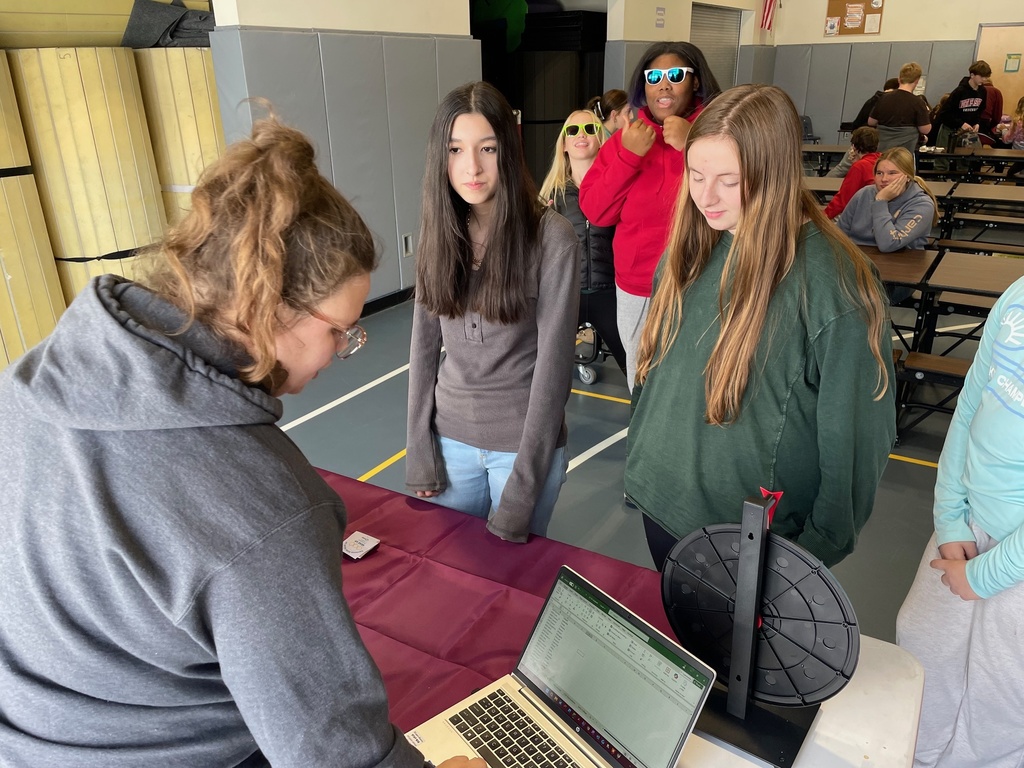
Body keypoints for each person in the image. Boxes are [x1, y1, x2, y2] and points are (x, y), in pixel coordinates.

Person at [0, 115, 483, 768]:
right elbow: (334, 754)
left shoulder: (30, 383)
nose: (343, 351)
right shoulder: (264, 506)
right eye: (340, 332)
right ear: (266, 304)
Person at [625, 84, 895, 571]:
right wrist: (640, 458)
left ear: (773, 175)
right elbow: (653, 373)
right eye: (696, 174)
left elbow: (855, 438)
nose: (705, 196)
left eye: (729, 180)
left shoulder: (835, 283)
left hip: (746, 543)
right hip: (659, 501)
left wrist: (810, 558)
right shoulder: (690, 247)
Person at [405, 81, 580, 543]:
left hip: (521, 449)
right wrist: (420, 449)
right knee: (452, 578)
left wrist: (523, 489)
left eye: (487, 147)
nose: (472, 167)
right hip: (449, 444)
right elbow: (424, 348)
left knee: (511, 587)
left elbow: (554, 366)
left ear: (508, 149)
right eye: (456, 149)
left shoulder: (552, 238)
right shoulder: (438, 234)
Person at [896, 274, 1024, 768]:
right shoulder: (1016, 295)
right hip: (970, 523)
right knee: (923, 640)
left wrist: (982, 578)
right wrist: (950, 517)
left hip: (1013, 563)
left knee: (1002, 694)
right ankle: (917, 755)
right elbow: (972, 400)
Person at [579, 41, 721, 390]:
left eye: (675, 75)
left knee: (699, 385)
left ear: (696, 82)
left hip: (701, 282)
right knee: (642, 382)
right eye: (653, 76)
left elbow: (741, 200)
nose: (664, 84)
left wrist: (694, 145)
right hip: (637, 287)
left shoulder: (719, 133)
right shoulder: (626, 140)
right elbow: (596, 210)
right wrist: (628, 156)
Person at [539, 108, 627, 377]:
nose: (581, 135)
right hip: (567, 295)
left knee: (636, 369)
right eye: (573, 130)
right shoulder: (549, 196)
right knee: (546, 370)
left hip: (610, 294)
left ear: (601, 139)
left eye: (590, 129)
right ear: (564, 144)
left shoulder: (617, 188)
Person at [837, 146, 938, 253]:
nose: (884, 179)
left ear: (907, 176)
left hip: (902, 263)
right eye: (879, 173)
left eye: (892, 173)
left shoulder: (922, 205)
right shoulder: (864, 193)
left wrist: (881, 201)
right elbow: (839, 233)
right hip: (859, 258)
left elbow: (889, 244)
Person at [828, 77, 898, 179]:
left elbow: (857, 122)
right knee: (844, 168)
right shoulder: (885, 102)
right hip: (866, 141)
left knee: (843, 168)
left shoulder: (874, 99)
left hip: (862, 139)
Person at [934, 60, 991, 170]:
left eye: (986, 77)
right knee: (943, 160)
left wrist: (977, 123)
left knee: (967, 160)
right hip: (950, 129)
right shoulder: (959, 91)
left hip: (968, 130)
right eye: (982, 77)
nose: (984, 80)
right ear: (972, 75)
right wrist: (961, 123)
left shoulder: (983, 91)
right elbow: (945, 114)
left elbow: (980, 110)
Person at [868, 62, 931, 156]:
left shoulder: (883, 98)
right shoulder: (918, 102)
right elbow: (925, 130)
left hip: (882, 151)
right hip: (903, 154)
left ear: (899, 79)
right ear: (917, 81)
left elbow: (871, 122)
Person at [824, 126, 880, 219]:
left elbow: (843, 200)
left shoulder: (859, 167)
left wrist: (824, 216)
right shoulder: (882, 160)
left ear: (853, 146)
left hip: (863, 215)